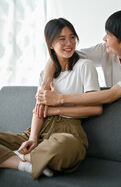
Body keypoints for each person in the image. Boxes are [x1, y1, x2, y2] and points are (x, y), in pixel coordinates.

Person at [0, 18, 102, 180]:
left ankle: (18, 158)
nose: (69, 43)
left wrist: (57, 107)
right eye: (62, 39)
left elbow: (95, 108)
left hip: (68, 130)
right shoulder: (45, 74)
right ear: (51, 44)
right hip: (41, 128)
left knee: (65, 147)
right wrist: (33, 137)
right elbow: (38, 109)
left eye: (72, 37)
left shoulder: (84, 66)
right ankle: (24, 162)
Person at [36, 10, 121, 111]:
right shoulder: (104, 50)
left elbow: (112, 94)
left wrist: (60, 99)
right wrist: (45, 83)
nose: (104, 38)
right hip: (112, 109)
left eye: (108, 35)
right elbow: (62, 55)